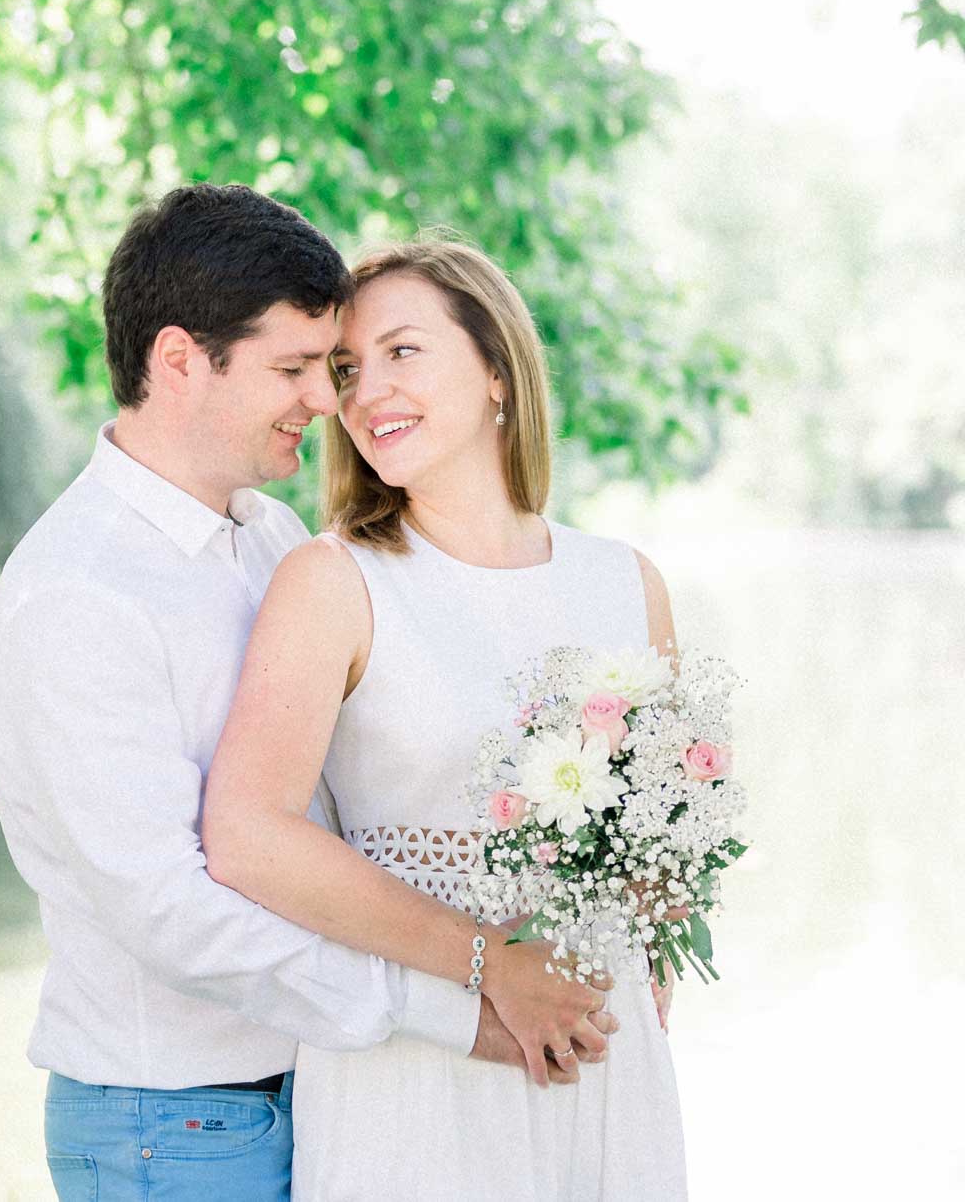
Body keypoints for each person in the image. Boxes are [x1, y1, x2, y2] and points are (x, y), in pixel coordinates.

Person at [0, 186, 616, 1202]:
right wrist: (463, 998)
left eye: (332, 368)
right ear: (181, 359)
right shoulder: (76, 594)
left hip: (326, 1089)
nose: (328, 403)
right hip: (176, 1122)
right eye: (294, 369)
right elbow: (173, 910)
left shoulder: (270, 540)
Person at [203, 235, 689, 1200]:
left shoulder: (624, 583)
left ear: (498, 371)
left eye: (403, 352)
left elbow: (667, 842)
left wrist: (642, 965)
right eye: (346, 369)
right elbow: (245, 835)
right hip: (421, 1071)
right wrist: (492, 962)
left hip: (600, 1055)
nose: (365, 391)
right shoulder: (334, 581)